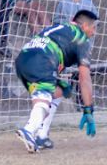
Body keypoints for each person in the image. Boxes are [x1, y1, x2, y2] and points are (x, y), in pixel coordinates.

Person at [14, 9, 98, 153]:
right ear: (84, 26)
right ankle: (29, 129)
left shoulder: (58, 28)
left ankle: (41, 135)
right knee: (43, 97)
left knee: (59, 91)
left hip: (23, 59)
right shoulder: (81, 38)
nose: (94, 32)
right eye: (93, 27)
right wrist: (88, 109)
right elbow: (85, 78)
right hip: (42, 61)